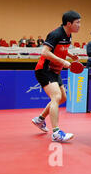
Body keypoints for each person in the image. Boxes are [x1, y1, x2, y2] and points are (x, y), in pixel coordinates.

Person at [31, 10, 81, 143]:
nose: (79, 25)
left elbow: (61, 48)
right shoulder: (55, 34)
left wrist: (70, 56)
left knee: (62, 98)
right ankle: (56, 133)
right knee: (56, 96)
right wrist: (63, 61)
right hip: (44, 69)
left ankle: (40, 120)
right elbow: (45, 52)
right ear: (69, 23)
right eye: (77, 22)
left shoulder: (68, 35)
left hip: (55, 71)